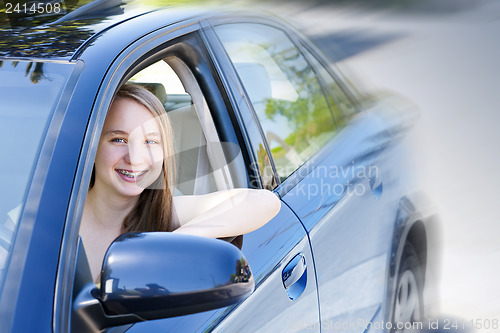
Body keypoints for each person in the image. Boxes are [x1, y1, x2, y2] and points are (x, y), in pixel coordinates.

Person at [79, 84, 281, 282]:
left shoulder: (163, 213)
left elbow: (264, 201)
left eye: (150, 142)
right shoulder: (57, 215)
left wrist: (173, 244)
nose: (135, 158)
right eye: (119, 140)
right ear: (92, 145)